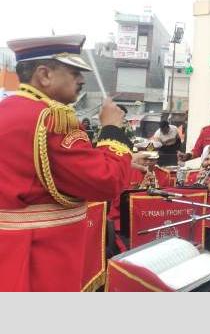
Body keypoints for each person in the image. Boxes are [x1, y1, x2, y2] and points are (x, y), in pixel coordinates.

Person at [0, 34, 133, 291]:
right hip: (42, 262)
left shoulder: (9, 109)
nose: (82, 80)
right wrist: (112, 129)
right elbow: (107, 181)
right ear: (44, 75)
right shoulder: (52, 119)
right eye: (73, 72)